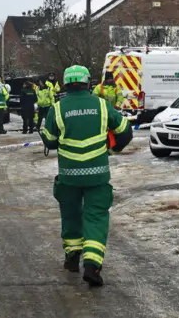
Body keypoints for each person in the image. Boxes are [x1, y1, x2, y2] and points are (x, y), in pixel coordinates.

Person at [40, 65, 133, 287]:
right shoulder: (102, 105)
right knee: (96, 217)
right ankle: (92, 265)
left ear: (65, 84)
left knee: (70, 215)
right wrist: (114, 149)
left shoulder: (58, 108)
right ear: (88, 83)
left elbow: (49, 141)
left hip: (69, 176)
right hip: (97, 176)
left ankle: (72, 257)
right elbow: (125, 132)